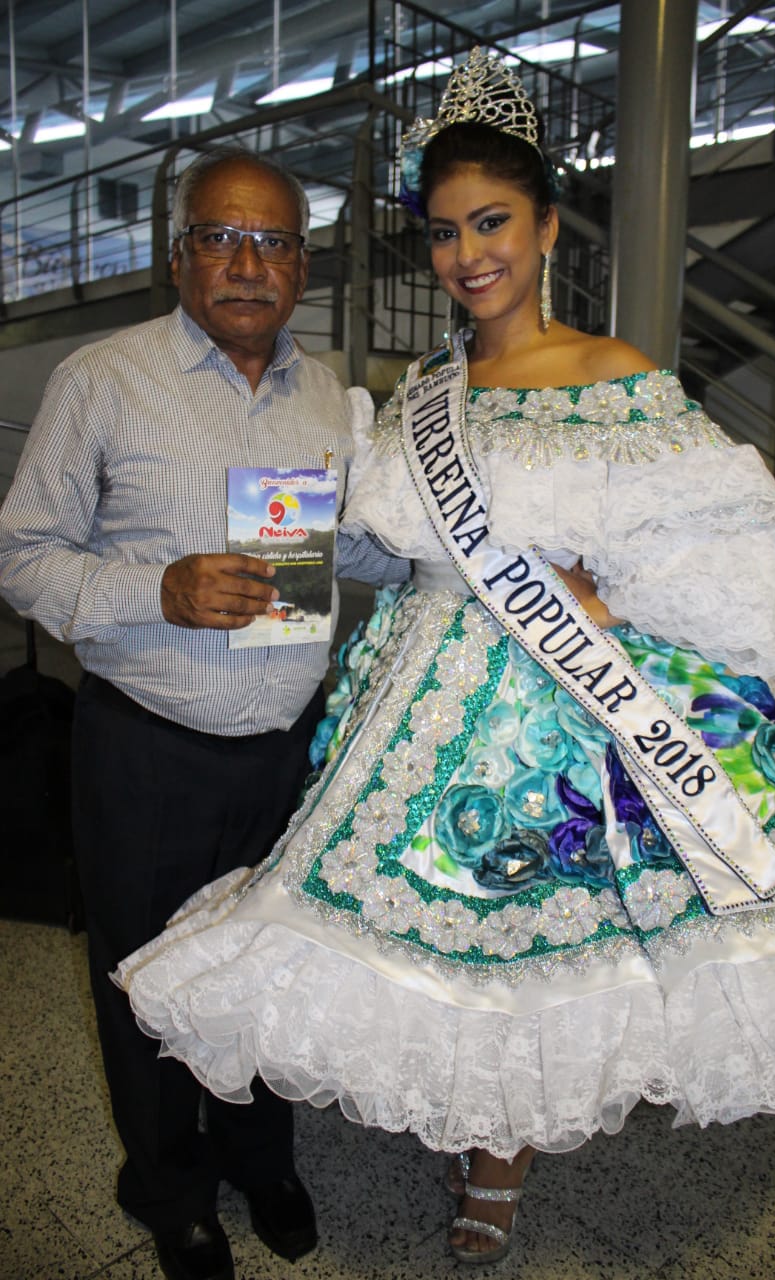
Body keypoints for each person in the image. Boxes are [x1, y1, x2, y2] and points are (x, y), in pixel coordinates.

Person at [115, 50, 775, 1268]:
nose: (468, 255)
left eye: (493, 222)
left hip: (560, 704)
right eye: (447, 230)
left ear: (548, 225)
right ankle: (470, 1128)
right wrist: (262, 551)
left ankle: (497, 1160)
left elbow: (720, 548)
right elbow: (386, 542)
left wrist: (611, 590)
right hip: (419, 690)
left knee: (528, 933)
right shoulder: (421, 391)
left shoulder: (615, 377)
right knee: (435, 933)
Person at [0, 145, 406, 1280]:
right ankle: (169, 1183)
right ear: (179, 256)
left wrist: (463, 532)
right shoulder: (102, 379)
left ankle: (259, 1153)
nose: (245, 263)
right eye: (221, 238)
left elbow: (357, 548)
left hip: (287, 747)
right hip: (145, 748)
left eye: (270, 242)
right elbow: (22, 553)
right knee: (143, 973)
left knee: (272, 962)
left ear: (302, 265)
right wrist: (154, 589)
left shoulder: (331, 394)